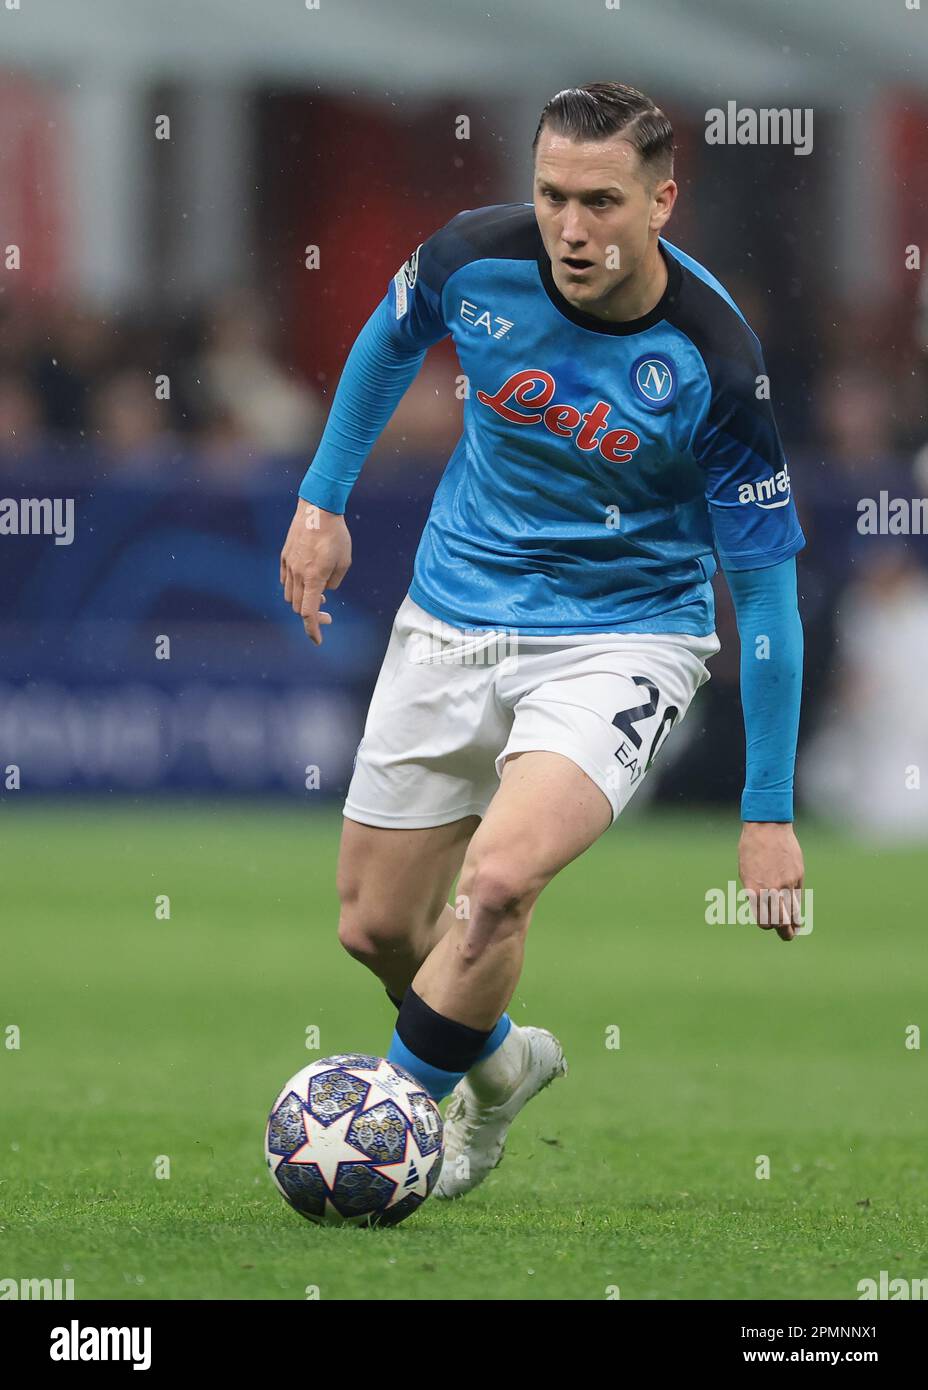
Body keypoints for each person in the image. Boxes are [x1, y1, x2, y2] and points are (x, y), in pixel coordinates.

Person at [279, 81, 806, 1201]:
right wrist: (321, 503)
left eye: (603, 202)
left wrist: (766, 811)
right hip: (453, 610)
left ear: (662, 201)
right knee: (376, 926)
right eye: (553, 195)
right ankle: (503, 1060)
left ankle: (389, 1125)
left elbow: (763, 595)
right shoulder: (473, 260)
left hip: (625, 637)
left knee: (500, 880)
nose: (572, 228)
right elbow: (387, 336)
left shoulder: (713, 356)